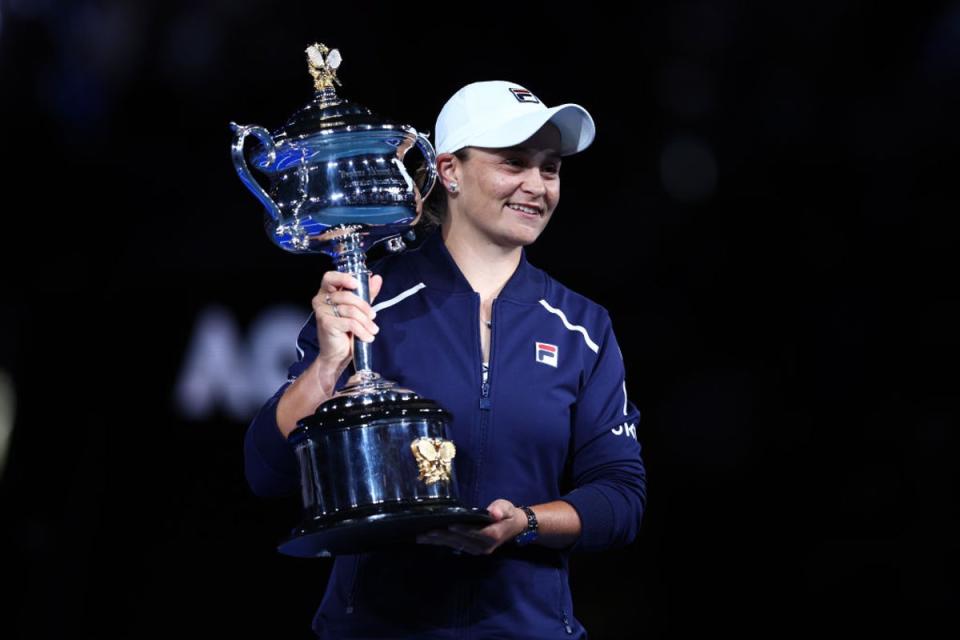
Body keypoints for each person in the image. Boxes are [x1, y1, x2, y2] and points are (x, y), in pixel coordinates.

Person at [244, 79, 646, 639]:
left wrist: (525, 524)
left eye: (550, 168)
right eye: (514, 163)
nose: (537, 185)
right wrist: (326, 368)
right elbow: (267, 471)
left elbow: (620, 497)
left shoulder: (583, 327)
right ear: (449, 171)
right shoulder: (367, 300)